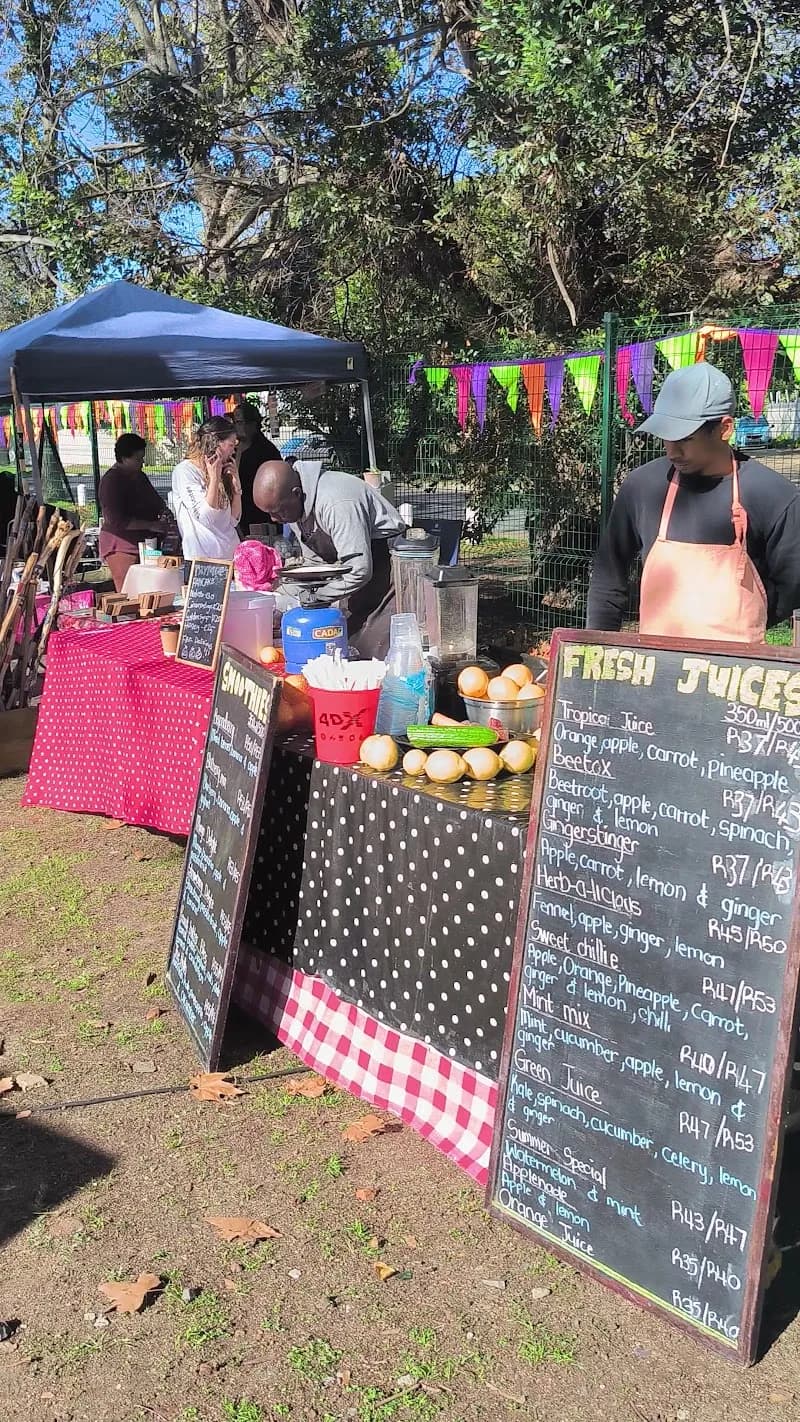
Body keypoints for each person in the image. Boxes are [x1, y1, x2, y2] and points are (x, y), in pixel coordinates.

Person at [587, 364, 800, 640]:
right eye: (666, 437)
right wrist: (596, 646)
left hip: (737, 662)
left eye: (685, 439)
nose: (672, 451)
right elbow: (608, 578)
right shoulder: (643, 487)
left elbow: (790, 587)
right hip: (657, 659)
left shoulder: (774, 496)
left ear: (724, 428)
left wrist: (741, 619)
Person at [252, 458, 405, 658]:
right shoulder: (296, 507)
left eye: (278, 511)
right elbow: (315, 564)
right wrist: (279, 597)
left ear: (296, 493)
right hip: (354, 575)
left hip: (386, 573)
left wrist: (315, 598)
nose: (274, 519)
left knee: (373, 650)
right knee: (343, 642)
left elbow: (360, 569)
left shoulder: (336, 502)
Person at [99, 433, 170, 591]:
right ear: (124, 459)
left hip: (148, 545)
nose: (142, 463)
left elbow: (157, 501)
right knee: (129, 592)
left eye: (142, 458)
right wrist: (150, 525)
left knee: (151, 590)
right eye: (138, 459)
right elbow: (116, 520)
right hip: (122, 547)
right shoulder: (111, 481)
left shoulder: (140, 476)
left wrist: (164, 512)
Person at [171, 417, 242, 561]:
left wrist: (236, 489)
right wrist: (214, 479)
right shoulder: (185, 471)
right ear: (216, 444)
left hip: (230, 555)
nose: (233, 451)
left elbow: (233, 520)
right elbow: (205, 518)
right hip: (204, 560)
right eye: (231, 445)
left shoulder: (222, 469)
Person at [231, 400, 282, 534]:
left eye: (239, 422)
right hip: (238, 511)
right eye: (234, 422)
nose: (235, 426)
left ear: (252, 425)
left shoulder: (266, 450)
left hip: (260, 514)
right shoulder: (233, 449)